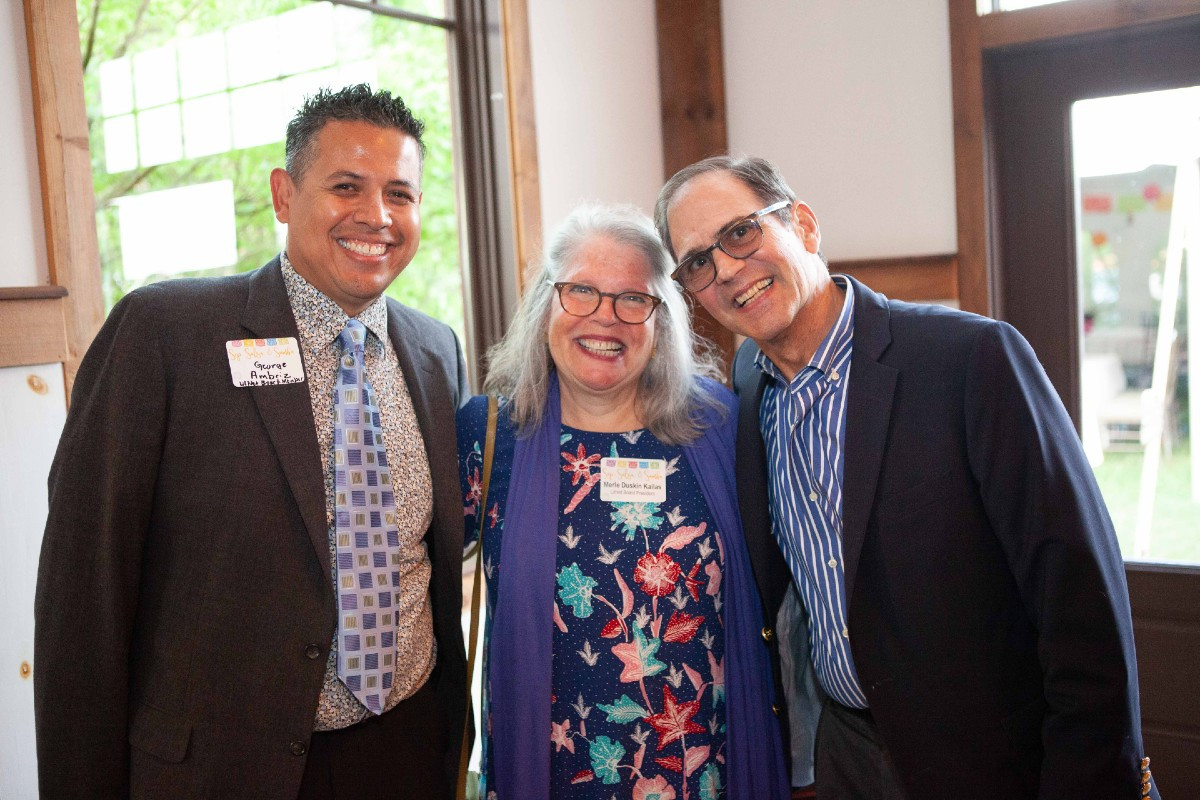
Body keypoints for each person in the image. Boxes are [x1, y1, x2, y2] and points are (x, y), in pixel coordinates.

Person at [654, 155, 1159, 800]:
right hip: (847, 755)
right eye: (698, 262)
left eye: (740, 233)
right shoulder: (748, 384)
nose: (725, 268)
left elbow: (1081, 600)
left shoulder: (971, 360)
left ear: (803, 226)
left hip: (991, 759)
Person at [34, 84, 469, 799]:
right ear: (283, 193)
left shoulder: (434, 351)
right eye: (346, 186)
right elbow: (84, 596)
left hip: (406, 748)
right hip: (224, 769)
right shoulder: (166, 336)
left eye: (401, 192)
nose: (378, 216)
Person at [456, 203, 789, 800]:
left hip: (702, 777)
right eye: (581, 290)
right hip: (552, 778)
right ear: (544, 306)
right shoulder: (488, 437)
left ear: (662, 319)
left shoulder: (723, 428)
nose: (605, 318)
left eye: (633, 299)